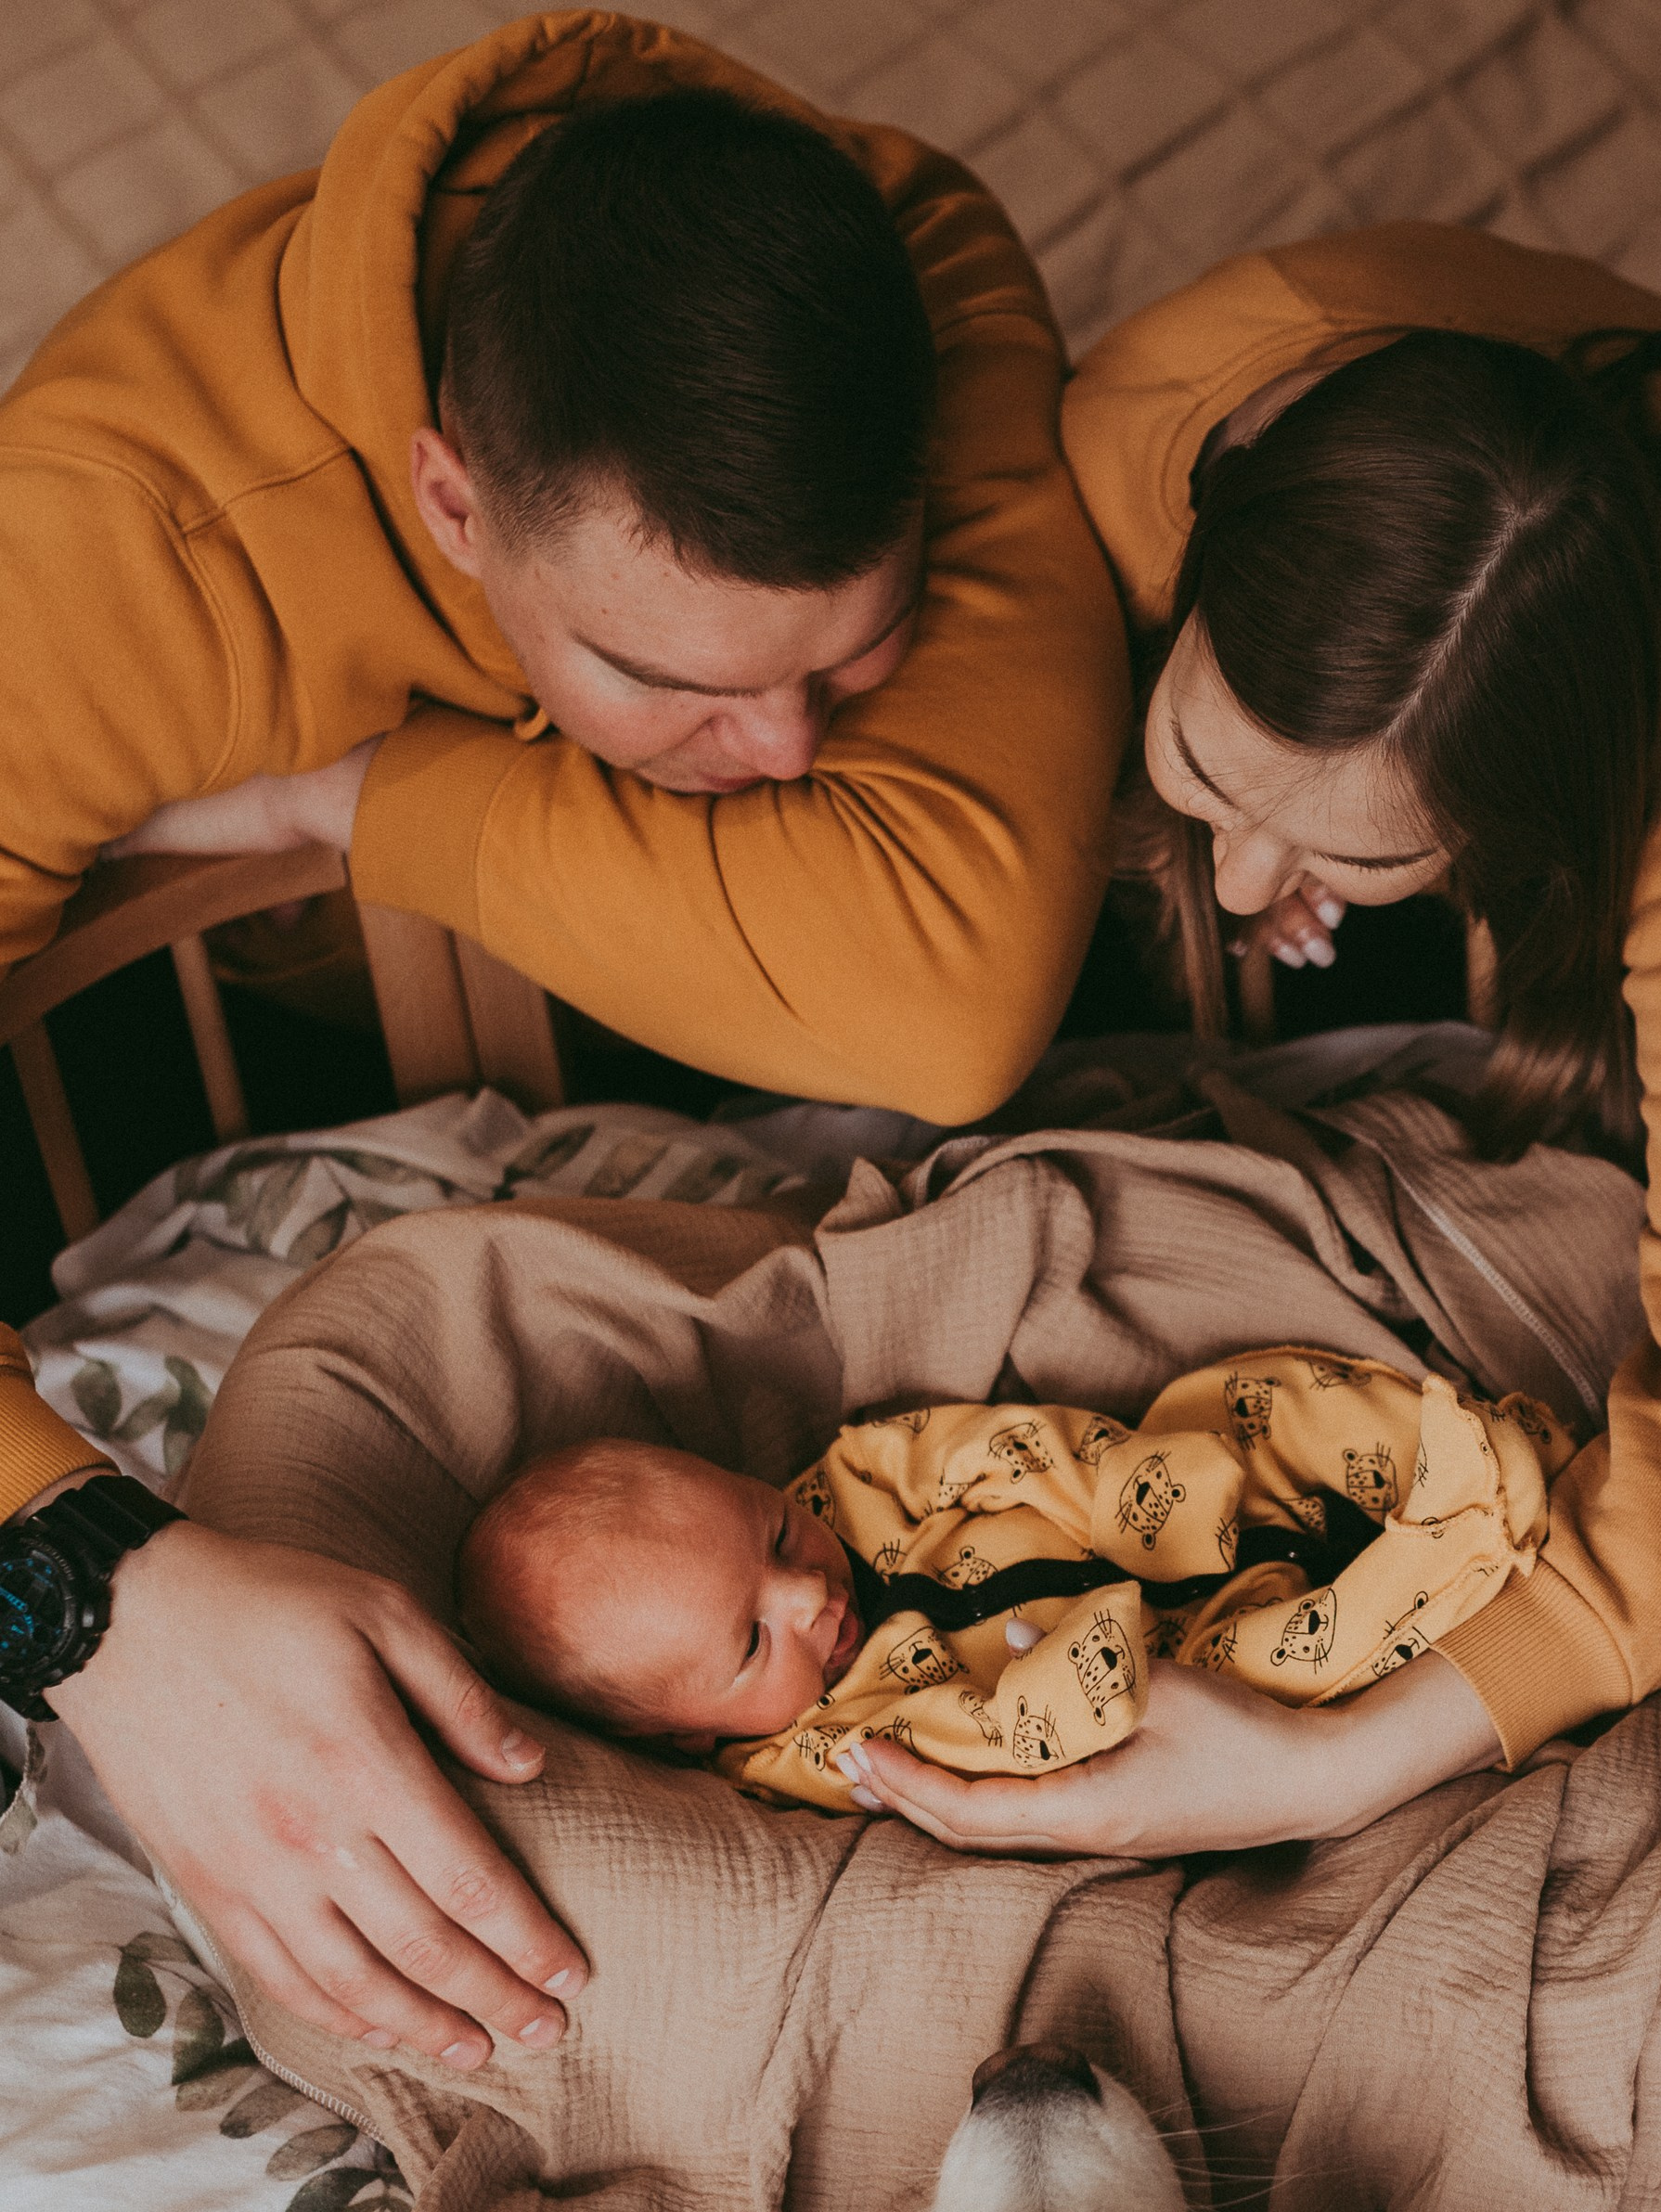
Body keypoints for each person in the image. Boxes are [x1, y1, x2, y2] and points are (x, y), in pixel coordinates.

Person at [0, 17, 1127, 2064]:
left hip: (691, 1035)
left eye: (854, 651)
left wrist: (355, 805)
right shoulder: (104, 560)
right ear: (448, 497)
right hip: (240, 1051)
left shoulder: (915, 273)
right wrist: (94, 1600)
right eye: (670, 675)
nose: (787, 751)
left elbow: (946, 999)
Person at [847, 223, 1661, 1859]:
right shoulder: (1140, 435)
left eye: (1365, 860)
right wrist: (1128, 818)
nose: (1247, 881)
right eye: (1205, 753)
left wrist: (1346, 1763)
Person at [455, 1357, 1572, 1810]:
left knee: (1243, 1408)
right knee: (1285, 1665)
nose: (803, 1596)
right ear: (679, 1738)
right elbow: (965, 1741)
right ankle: (1464, 1546)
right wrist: (1072, 1690)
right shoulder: (816, 1750)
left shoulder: (850, 1476)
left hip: (1159, 1508)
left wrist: (1131, 1491)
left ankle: (1463, 1447)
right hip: (1171, 1661)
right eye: (750, 1642)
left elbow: (993, 1450)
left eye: (773, 1533)